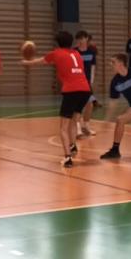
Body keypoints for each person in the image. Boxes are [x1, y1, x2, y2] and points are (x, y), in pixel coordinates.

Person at [23, 31, 91, 169]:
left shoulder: (56, 53)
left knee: (63, 127)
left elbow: (40, 61)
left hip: (71, 90)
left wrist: (27, 62)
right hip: (85, 89)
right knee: (74, 120)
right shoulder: (77, 54)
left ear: (57, 43)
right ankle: (72, 146)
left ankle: (68, 158)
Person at [74, 30, 99, 137]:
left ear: (86, 39)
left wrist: (92, 80)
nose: (80, 41)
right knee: (78, 105)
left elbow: (93, 66)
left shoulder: (91, 51)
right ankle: (77, 127)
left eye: (82, 38)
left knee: (90, 104)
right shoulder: (74, 52)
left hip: (87, 83)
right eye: (78, 39)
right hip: (76, 82)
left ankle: (86, 125)